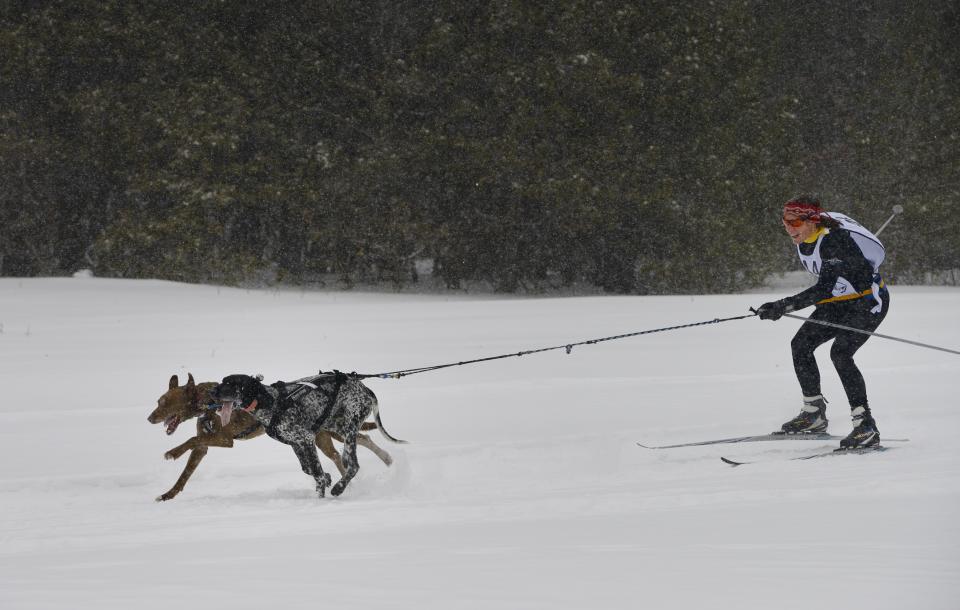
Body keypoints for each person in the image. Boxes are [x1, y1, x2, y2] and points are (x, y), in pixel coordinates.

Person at [755, 196, 889, 449]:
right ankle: (813, 414)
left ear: (812, 220)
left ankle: (865, 426)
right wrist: (782, 306)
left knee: (841, 353)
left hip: (867, 301)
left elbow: (824, 288)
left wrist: (783, 305)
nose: (788, 227)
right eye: (785, 221)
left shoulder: (835, 241)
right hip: (839, 302)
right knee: (801, 345)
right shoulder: (805, 237)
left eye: (794, 221)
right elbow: (829, 289)